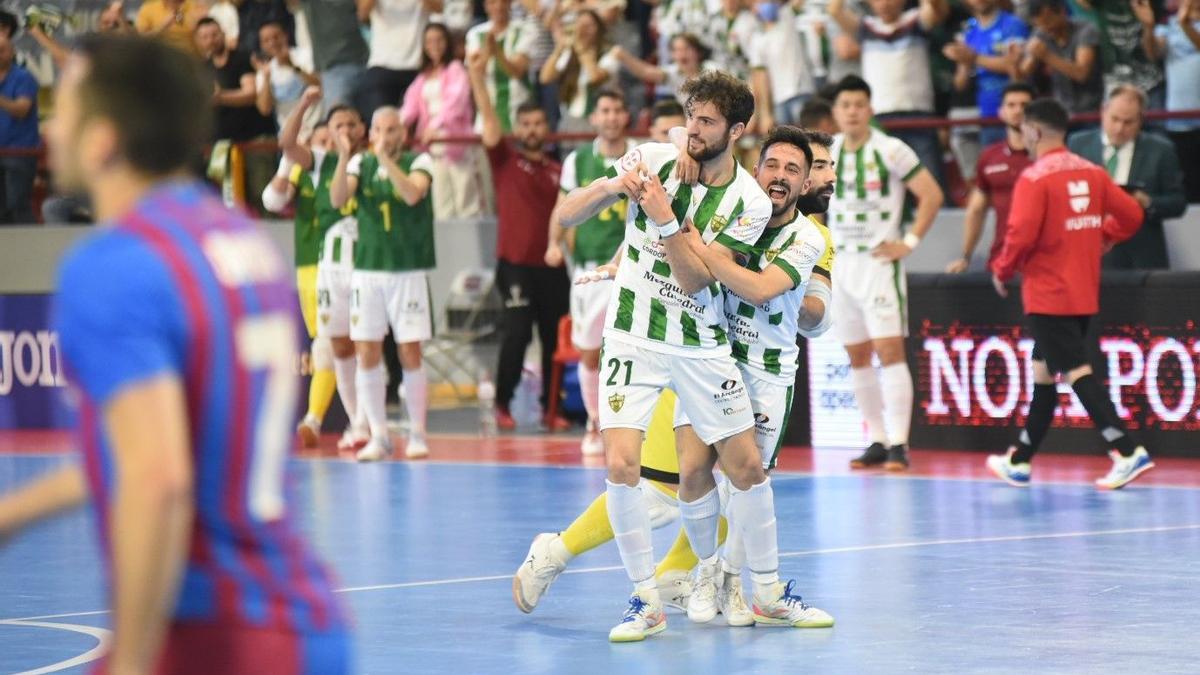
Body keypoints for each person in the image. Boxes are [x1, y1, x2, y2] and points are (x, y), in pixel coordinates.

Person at [0, 34, 350, 673]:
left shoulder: (113, 267)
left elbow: (156, 478)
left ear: (102, 140)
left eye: (67, 109)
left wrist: (133, 662)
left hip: (216, 636)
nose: (51, 125)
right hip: (307, 622)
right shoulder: (241, 243)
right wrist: (16, 513)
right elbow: (185, 446)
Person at [514, 126, 840, 627]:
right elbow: (682, 185)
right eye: (814, 165)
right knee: (666, 484)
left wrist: (803, 310)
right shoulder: (737, 198)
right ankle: (554, 554)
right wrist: (683, 147)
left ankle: (686, 577)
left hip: (752, 371)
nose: (825, 175)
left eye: (817, 167)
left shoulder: (815, 239)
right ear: (762, 167)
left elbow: (815, 307)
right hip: (694, 350)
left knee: (739, 482)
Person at [555, 71, 797, 642]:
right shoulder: (654, 159)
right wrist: (615, 188)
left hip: (700, 345)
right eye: (691, 116)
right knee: (620, 464)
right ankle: (645, 598)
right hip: (632, 336)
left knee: (743, 468)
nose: (693, 129)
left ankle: (758, 587)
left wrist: (663, 216)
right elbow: (567, 213)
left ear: (736, 131)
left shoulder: (749, 204)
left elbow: (694, 280)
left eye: (707, 122)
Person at [987, 97, 1153, 490]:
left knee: (1077, 371)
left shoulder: (1034, 177)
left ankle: (1127, 450)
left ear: (1033, 131)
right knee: (1044, 372)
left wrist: (1002, 269)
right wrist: (1105, 237)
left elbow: (1020, 234)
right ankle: (1021, 460)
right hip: (1082, 290)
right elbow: (1132, 215)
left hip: (1047, 294)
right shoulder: (1093, 172)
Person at [827, 75, 944, 472]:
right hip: (842, 263)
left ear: (870, 109)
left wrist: (908, 243)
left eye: (860, 104)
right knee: (856, 355)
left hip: (879, 264)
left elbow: (932, 194)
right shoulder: (828, 151)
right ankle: (876, 438)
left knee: (890, 352)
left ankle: (900, 443)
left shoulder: (891, 149)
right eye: (846, 105)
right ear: (836, 112)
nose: (853, 112)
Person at [466, 50, 571, 432]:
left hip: (553, 267)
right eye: (524, 124)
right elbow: (491, 128)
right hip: (513, 266)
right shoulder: (504, 161)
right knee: (516, 334)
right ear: (518, 127)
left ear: (546, 128)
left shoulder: (560, 171)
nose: (530, 130)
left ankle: (550, 409)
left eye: (537, 123)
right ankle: (502, 403)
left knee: (554, 339)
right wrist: (477, 77)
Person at [330, 107, 435, 461]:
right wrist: (345, 156)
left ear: (402, 134)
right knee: (366, 351)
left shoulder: (420, 161)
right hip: (368, 271)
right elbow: (338, 199)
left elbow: (411, 194)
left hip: (407, 270)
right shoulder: (360, 164)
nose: (384, 137)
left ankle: (418, 433)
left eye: (391, 130)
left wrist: (385, 162)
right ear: (370, 132)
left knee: (410, 351)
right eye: (378, 130)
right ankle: (379, 435)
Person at [546, 89, 636, 455]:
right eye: (605, 110)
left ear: (625, 116)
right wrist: (554, 243)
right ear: (595, 118)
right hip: (588, 266)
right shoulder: (578, 160)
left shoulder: (641, 155)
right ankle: (594, 422)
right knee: (588, 350)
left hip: (631, 267)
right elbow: (562, 207)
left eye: (617, 109)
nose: (611, 116)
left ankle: (630, 425)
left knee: (633, 349)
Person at [282, 86, 371, 451]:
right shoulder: (319, 162)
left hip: (368, 264)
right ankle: (356, 423)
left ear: (363, 128)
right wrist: (303, 104)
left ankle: (369, 422)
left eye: (351, 124)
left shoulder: (372, 160)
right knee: (336, 346)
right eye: (338, 125)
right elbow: (287, 144)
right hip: (329, 268)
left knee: (368, 345)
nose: (345, 131)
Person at [261, 120, 341, 449]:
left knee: (336, 344)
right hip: (311, 267)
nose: (327, 147)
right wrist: (287, 162)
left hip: (350, 265)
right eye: (320, 141)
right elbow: (272, 201)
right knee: (329, 345)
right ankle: (319, 418)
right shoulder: (302, 170)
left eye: (331, 140)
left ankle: (315, 418)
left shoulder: (352, 169)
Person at [827, 0, 950, 186]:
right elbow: (834, 10)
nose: (884, 3)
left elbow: (937, 8)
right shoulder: (866, 27)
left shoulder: (915, 20)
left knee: (931, 181)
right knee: (881, 184)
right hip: (879, 119)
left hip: (919, 117)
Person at [1067, 85, 1187, 269]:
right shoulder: (1077, 144)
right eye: (1114, 119)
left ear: (1141, 120)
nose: (1119, 128)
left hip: (1142, 255)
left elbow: (1178, 203)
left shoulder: (1161, 150)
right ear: (1103, 111)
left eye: (1128, 122)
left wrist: (1146, 202)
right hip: (1091, 253)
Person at [946, 82, 1034, 274]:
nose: (1018, 111)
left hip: (1043, 262)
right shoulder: (989, 156)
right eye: (1011, 105)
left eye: (1025, 105)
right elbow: (976, 210)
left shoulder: (1049, 155)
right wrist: (965, 257)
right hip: (1001, 261)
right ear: (1001, 112)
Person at [401, 23, 483, 218]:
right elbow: (409, 105)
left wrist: (434, 126)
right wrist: (400, 125)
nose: (434, 45)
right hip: (433, 147)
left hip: (455, 142)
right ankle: (449, 248)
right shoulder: (423, 77)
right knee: (441, 204)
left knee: (466, 200)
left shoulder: (456, 69)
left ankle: (470, 247)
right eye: (429, 41)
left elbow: (456, 103)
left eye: (439, 40)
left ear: (447, 43)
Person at [941, 0, 1029, 147]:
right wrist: (961, 59)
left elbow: (1016, 66)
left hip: (1017, 114)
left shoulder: (1013, 24)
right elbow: (960, 84)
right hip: (986, 116)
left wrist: (974, 57)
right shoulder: (968, 30)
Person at [1146, 0, 1200, 201]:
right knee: (1189, 183)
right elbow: (1153, 53)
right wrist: (1148, 27)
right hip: (1179, 121)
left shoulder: (1183, 24)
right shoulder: (1166, 27)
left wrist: (1185, 24)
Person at [357, 0, 440, 118]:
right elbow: (362, 13)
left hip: (417, 67)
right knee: (381, 123)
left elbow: (439, 8)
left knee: (418, 130)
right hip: (382, 66)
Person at [539, 9, 618, 131]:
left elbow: (595, 78)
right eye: (580, 25)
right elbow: (545, 78)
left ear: (599, 28)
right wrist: (559, 49)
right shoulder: (569, 54)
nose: (583, 30)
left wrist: (581, 49)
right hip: (569, 119)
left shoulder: (609, 54)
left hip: (598, 121)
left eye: (589, 25)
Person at [1018, 0, 1102, 115]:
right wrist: (1013, 62)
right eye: (1039, 24)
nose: (1046, 28)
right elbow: (1023, 75)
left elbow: (1081, 74)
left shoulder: (1086, 30)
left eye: (1048, 21)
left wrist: (1047, 56)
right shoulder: (1041, 33)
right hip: (1061, 112)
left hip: (1090, 111)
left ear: (1062, 12)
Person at [466, 0, 537, 132]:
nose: (499, 6)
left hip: (518, 114)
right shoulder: (475, 34)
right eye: (493, 2)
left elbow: (517, 71)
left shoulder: (525, 31)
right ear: (486, 6)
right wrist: (487, 52)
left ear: (510, 4)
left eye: (503, 2)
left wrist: (498, 52)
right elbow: (475, 75)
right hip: (486, 116)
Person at [254, 20, 322, 133]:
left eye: (276, 37)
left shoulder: (305, 55)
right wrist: (267, 78)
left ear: (285, 36)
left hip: (317, 127)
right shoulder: (263, 72)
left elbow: (319, 84)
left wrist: (292, 66)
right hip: (290, 133)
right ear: (262, 45)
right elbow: (264, 109)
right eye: (266, 40)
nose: (272, 43)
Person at [0, 34, 38, 225]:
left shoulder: (23, 77)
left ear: (12, 52)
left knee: (18, 205)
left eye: (2, 50)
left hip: (20, 152)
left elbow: (22, 110)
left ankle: (30, 250)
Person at [136, 0, 207, 53]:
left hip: (190, 59)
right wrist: (162, 27)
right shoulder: (148, 9)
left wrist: (196, 24)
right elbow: (141, 40)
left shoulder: (195, 6)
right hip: (160, 60)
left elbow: (207, 36)